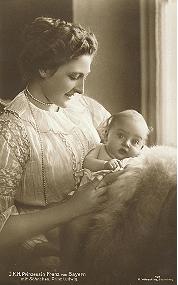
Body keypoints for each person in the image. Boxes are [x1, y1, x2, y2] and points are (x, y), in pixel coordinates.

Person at [0, 16, 111, 275]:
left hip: (95, 229)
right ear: (44, 69)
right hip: (42, 244)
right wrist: (73, 209)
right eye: (74, 76)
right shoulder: (12, 130)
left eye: (85, 76)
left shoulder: (87, 110)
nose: (82, 89)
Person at [83, 109, 150, 177]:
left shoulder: (135, 160)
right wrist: (104, 165)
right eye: (121, 136)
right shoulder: (100, 148)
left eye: (135, 141)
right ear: (106, 134)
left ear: (141, 147)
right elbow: (86, 162)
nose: (126, 143)